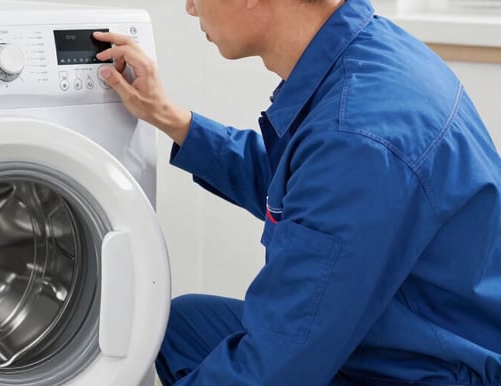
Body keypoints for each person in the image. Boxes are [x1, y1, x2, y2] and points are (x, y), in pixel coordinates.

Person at [93, 0, 501, 384]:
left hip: (437, 369)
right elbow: (306, 192)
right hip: (411, 328)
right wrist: (171, 119)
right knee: (180, 326)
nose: (190, 7)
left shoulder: (357, 137)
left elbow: (275, 368)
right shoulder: (372, 54)